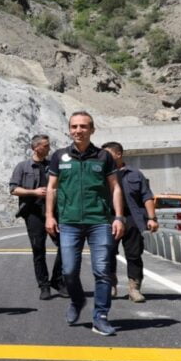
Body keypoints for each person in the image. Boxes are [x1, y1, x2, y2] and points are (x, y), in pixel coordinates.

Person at [46, 111, 125, 337]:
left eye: (83, 126)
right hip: (69, 222)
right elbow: (51, 187)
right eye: (74, 126)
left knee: (102, 272)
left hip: (99, 221)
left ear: (92, 129)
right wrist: (49, 216)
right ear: (69, 130)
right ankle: (78, 300)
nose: (78, 130)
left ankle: (100, 316)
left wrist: (119, 216)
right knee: (69, 271)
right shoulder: (59, 156)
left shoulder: (104, 157)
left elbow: (115, 187)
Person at [101, 142, 158, 303]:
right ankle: (111, 285)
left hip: (133, 218)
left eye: (107, 154)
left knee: (134, 255)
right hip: (109, 218)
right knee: (107, 252)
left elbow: (147, 196)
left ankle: (134, 288)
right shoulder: (101, 174)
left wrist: (152, 219)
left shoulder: (135, 174)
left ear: (118, 154)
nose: (104, 158)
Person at [9, 134, 64, 300]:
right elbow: (13, 189)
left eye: (49, 145)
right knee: (38, 249)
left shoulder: (53, 165)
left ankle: (57, 280)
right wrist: (34, 192)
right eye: (46, 145)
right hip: (33, 213)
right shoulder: (22, 167)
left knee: (66, 245)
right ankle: (44, 286)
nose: (49, 148)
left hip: (55, 212)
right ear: (36, 147)